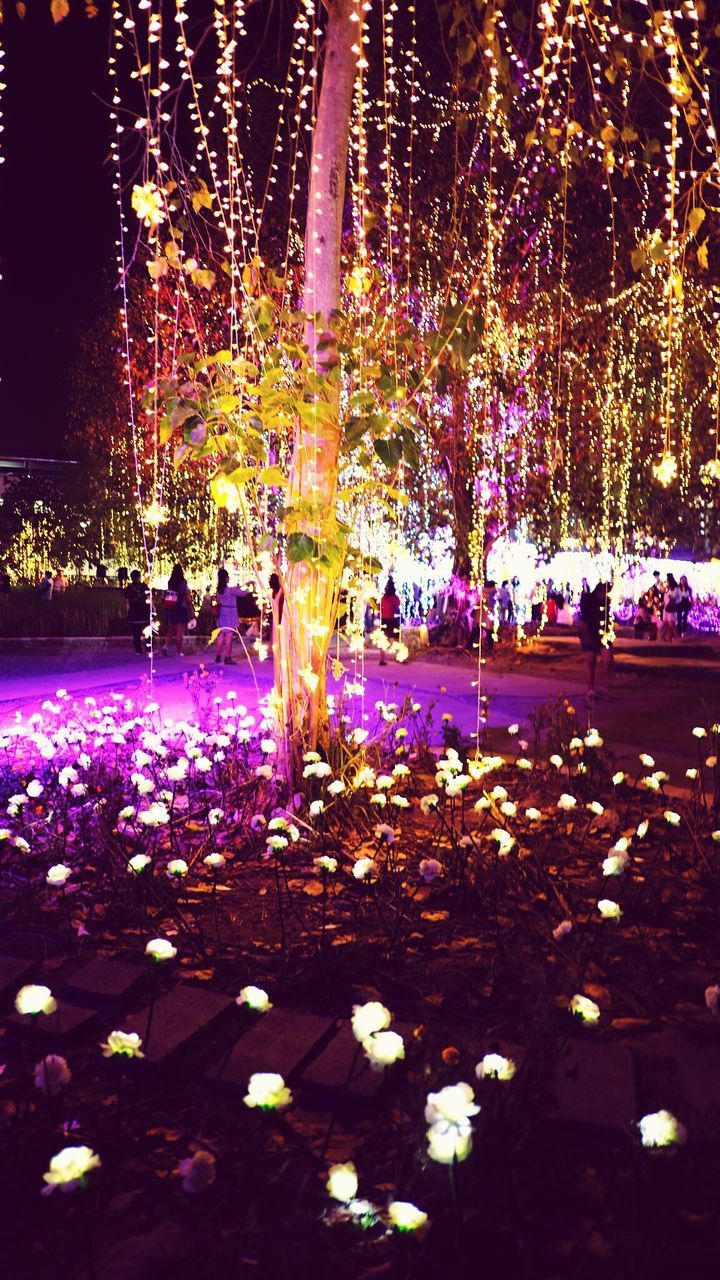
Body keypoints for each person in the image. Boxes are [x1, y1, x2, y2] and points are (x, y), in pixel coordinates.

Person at [578, 581, 613, 695]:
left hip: (603, 633)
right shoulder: (588, 599)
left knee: (608, 660)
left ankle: (601, 685)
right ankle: (591, 689)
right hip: (589, 632)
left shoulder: (607, 601)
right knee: (590, 659)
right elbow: (585, 618)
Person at [213, 568, 242, 664]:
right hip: (230, 613)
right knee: (229, 635)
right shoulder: (229, 590)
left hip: (222, 612)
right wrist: (248, 586)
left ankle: (218, 656)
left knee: (221, 634)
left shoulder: (219, 590)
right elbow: (242, 593)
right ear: (225, 578)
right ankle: (227, 657)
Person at [162, 564, 192, 656]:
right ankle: (178, 651)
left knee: (171, 628)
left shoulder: (170, 582)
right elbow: (187, 596)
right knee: (180, 631)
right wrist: (190, 607)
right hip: (181, 607)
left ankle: (165, 646)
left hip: (172, 607)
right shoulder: (183, 582)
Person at [124, 569, 150, 655]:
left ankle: (138, 650)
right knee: (147, 630)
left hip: (134, 611)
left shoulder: (128, 588)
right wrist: (152, 608)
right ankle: (148, 647)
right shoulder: (144, 587)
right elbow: (148, 598)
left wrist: (128, 612)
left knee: (136, 632)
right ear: (139, 577)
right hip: (144, 611)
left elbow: (127, 602)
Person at [379, 576, 400, 665]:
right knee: (396, 638)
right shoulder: (394, 598)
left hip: (383, 620)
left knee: (383, 639)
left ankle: (382, 659)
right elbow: (398, 604)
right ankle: (398, 656)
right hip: (391, 619)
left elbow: (379, 607)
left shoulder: (383, 598)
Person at [661, 572, 681, 641]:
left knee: (671, 625)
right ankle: (668, 639)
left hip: (672, 609)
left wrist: (666, 592)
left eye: (667, 581)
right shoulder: (669, 589)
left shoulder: (676, 588)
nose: (667, 583)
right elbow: (666, 600)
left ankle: (678, 638)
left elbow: (672, 598)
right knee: (667, 625)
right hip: (666, 609)